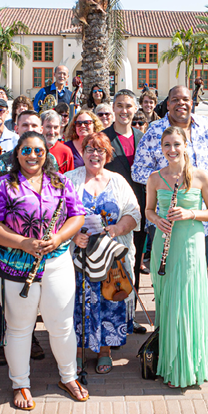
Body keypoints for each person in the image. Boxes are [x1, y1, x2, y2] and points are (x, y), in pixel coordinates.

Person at [0, 131, 88, 410]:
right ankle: (20, 383)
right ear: (17, 154)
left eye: (39, 151)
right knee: (19, 328)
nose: (33, 156)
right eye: (26, 150)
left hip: (56, 262)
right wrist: (24, 243)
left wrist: (60, 237)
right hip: (13, 267)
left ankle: (69, 376)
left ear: (47, 155)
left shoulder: (60, 182)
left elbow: (77, 215)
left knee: (62, 325)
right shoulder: (2, 185)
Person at [146, 126, 208, 386]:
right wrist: (157, 220)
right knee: (167, 303)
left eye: (177, 144)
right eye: (167, 145)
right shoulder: (154, 177)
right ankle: (170, 363)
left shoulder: (201, 176)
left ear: (186, 145)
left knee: (185, 301)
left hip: (189, 243)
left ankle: (188, 367)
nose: (172, 150)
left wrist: (190, 214)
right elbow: (148, 210)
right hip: (163, 243)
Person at [66, 133, 141, 373]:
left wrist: (118, 228)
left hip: (110, 258)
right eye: (89, 149)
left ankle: (105, 352)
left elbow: (134, 213)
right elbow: (57, 216)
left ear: (107, 155)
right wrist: (72, 235)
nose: (94, 154)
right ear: (82, 153)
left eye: (100, 150)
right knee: (76, 303)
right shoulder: (68, 180)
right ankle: (76, 352)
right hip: (78, 258)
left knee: (109, 300)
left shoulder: (118, 180)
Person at [132, 86, 208, 258]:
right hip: (165, 218)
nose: (181, 103)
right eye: (175, 100)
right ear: (167, 104)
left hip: (202, 218)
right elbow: (137, 171)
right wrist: (168, 179)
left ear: (192, 102)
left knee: (195, 273)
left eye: (185, 99)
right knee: (167, 276)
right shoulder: (154, 131)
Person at [102, 90, 148, 310]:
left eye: (129, 106)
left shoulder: (144, 139)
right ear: (113, 108)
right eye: (119, 105)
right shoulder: (103, 138)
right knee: (110, 266)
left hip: (139, 211)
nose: (124, 111)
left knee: (134, 263)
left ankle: (131, 313)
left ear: (136, 108)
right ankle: (110, 313)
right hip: (111, 215)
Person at [42, 110, 75, 174]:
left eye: (55, 127)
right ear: (41, 127)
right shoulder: (33, 149)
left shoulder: (66, 152)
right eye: (48, 127)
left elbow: (69, 179)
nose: (52, 132)